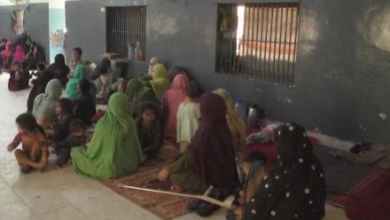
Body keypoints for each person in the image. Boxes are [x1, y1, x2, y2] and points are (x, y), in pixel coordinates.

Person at [239, 123, 326, 220]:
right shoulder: (315, 163)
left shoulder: (281, 173)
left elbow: (260, 203)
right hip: (312, 214)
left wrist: (245, 212)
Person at [158, 93, 239, 193]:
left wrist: (169, 169)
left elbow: (191, 156)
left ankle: (213, 190)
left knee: (175, 176)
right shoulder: (221, 124)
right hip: (225, 173)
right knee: (180, 166)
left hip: (213, 178)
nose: (199, 108)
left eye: (202, 105)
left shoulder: (206, 130)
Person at [71, 93, 143, 179]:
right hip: (131, 164)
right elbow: (135, 144)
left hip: (110, 168)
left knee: (76, 152)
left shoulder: (104, 122)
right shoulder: (130, 121)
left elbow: (95, 146)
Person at [226, 151, 267, 220]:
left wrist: (244, 210)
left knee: (231, 215)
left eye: (246, 168)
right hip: (250, 207)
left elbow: (259, 205)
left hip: (256, 212)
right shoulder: (252, 176)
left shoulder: (261, 180)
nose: (244, 170)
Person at [176, 81, 202, 153]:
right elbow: (201, 119)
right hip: (194, 135)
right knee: (194, 153)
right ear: (197, 97)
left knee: (184, 152)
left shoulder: (181, 105)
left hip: (183, 134)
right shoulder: (197, 107)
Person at [163, 74, 190, 140]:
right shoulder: (189, 95)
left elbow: (165, 109)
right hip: (186, 127)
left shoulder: (167, 94)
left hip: (171, 126)